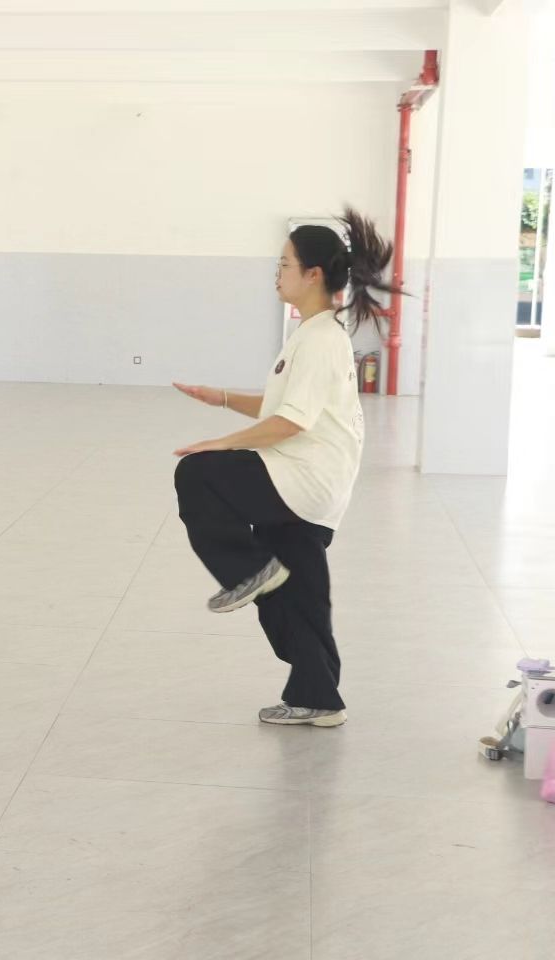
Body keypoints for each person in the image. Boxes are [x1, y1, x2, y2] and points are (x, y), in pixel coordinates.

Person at [172, 207, 396, 727]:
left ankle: (246, 571)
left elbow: (291, 422)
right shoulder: (315, 334)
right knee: (299, 596)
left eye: (284, 264)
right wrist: (221, 397)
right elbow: (282, 406)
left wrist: (220, 444)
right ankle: (320, 698)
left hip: (303, 477)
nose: (277, 273)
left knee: (198, 473)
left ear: (313, 274)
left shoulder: (320, 339)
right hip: (316, 485)